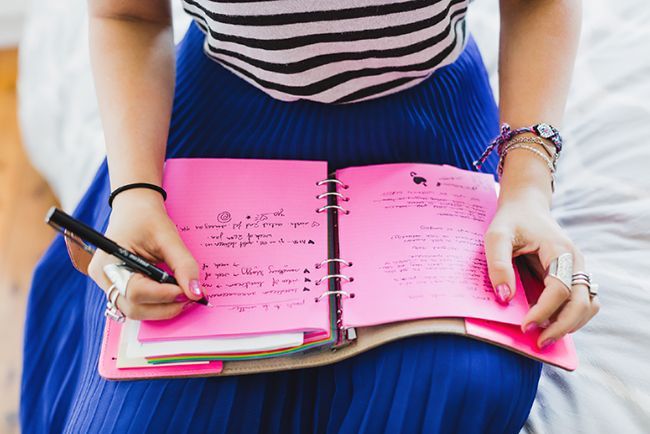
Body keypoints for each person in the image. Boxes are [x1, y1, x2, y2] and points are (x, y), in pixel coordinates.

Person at [21, 0, 599, 432]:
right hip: (219, 126)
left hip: (430, 127)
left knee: (457, 385)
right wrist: (137, 194)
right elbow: (127, 14)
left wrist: (527, 188)